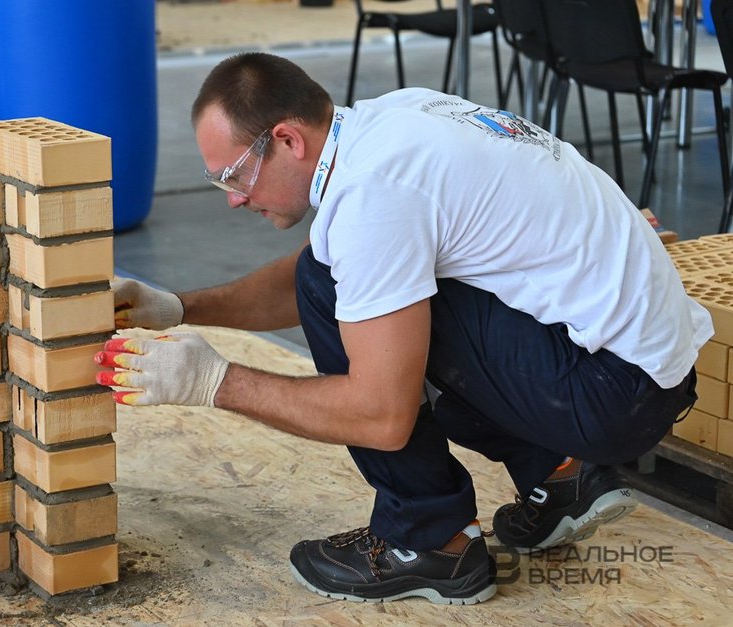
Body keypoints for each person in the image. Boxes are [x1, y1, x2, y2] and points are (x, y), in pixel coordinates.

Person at [94, 52, 704, 605]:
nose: (233, 199)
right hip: (638, 368)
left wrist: (213, 382)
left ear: (286, 139)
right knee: (328, 277)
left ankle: (429, 540)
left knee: (353, 317)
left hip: (613, 391)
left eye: (235, 176)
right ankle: (559, 471)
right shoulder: (391, 120)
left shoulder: (374, 194)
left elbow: (380, 416)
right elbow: (333, 267)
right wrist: (180, 305)